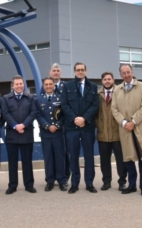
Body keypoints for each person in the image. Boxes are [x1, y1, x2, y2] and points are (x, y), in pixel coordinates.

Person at [112, 64, 142, 196]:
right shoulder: (117, 89)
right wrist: (124, 122)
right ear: (120, 75)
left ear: (132, 72)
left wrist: (133, 121)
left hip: (138, 127)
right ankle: (132, 185)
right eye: (123, 73)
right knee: (128, 158)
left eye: (128, 72)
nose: (126, 75)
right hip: (125, 129)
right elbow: (114, 109)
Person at [61, 62, 99, 194]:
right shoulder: (67, 86)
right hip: (72, 127)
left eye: (82, 70)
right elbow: (64, 104)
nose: (80, 72)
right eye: (78, 70)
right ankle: (74, 183)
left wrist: (84, 119)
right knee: (74, 156)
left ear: (86, 71)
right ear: (74, 72)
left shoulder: (93, 87)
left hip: (87, 127)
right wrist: (75, 119)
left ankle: (89, 183)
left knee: (89, 156)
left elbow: (95, 105)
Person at [1, 75, 37, 194]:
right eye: (16, 84)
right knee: (12, 162)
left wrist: (24, 125)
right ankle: (12, 185)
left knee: (27, 161)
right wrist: (16, 125)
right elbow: (5, 114)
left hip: (26, 133)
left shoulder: (30, 97)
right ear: (13, 86)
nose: (19, 86)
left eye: (21, 84)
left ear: (23, 84)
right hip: (12, 134)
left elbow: (33, 112)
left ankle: (29, 184)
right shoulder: (6, 98)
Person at [96, 71, 127, 191]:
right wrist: (98, 125)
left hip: (118, 133)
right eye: (105, 79)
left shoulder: (120, 92)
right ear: (102, 81)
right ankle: (106, 181)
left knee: (121, 160)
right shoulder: (97, 95)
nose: (107, 81)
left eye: (109, 79)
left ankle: (122, 181)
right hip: (103, 134)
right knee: (104, 160)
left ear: (113, 80)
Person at [36, 77, 67, 191]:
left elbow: (64, 114)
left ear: (54, 85)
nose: (48, 86)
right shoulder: (38, 100)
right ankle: (49, 181)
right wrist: (48, 126)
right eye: (46, 84)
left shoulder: (60, 98)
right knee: (48, 158)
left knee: (59, 157)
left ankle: (61, 181)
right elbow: (38, 115)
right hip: (46, 134)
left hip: (58, 133)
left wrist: (57, 125)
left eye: (50, 84)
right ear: (43, 86)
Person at [48, 63, 70, 183]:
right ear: (50, 73)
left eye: (58, 70)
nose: (56, 72)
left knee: (65, 152)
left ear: (60, 73)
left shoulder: (66, 86)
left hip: (64, 124)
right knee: (51, 153)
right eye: (54, 71)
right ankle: (53, 176)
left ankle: (65, 176)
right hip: (50, 125)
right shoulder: (45, 85)